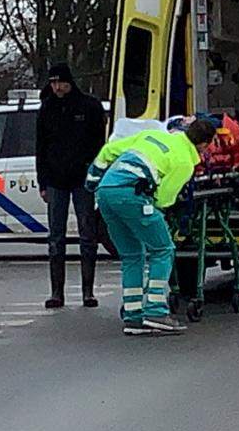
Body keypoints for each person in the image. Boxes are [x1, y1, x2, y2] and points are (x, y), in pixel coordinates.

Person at [86, 118, 218, 335]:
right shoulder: (184, 162)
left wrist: (92, 182)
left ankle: (133, 315)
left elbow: (108, 150)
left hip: (105, 192)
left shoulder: (153, 135)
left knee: (132, 255)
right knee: (163, 249)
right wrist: (153, 208)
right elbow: (164, 198)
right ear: (204, 144)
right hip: (132, 195)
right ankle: (155, 311)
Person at [36, 63, 108, 308]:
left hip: (82, 179)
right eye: (53, 83)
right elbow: (41, 148)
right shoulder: (47, 108)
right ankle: (57, 292)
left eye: (60, 82)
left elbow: (99, 144)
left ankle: (88, 291)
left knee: (87, 235)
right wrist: (43, 181)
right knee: (56, 237)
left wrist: (95, 174)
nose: (57, 87)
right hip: (56, 179)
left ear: (69, 82)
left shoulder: (89, 106)